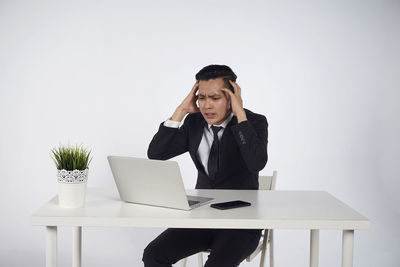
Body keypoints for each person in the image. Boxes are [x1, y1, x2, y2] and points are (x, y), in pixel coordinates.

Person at [143, 64, 268, 267]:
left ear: (232, 96)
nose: (207, 105)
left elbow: (257, 163)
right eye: (202, 97)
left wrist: (240, 115)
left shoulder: (253, 122)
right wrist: (181, 110)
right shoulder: (194, 123)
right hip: (201, 219)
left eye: (215, 98)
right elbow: (156, 154)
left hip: (242, 223)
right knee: (153, 254)